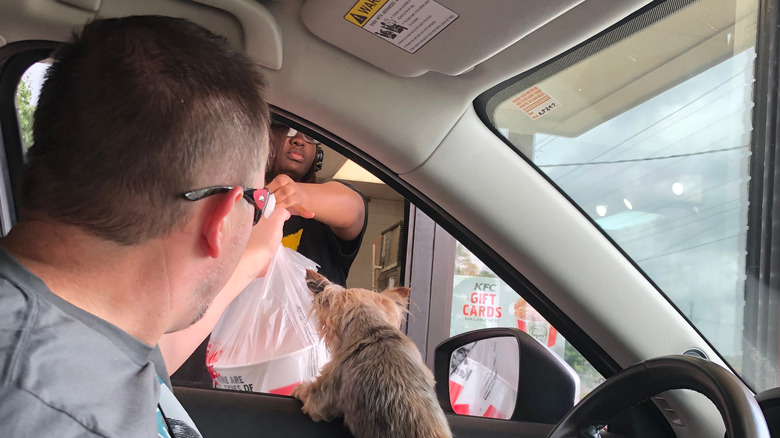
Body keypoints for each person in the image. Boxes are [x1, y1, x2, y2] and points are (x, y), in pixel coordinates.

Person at [0, 16, 289, 437]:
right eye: (257, 200)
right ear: (221, 218)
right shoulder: (60, 418)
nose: (258, 212)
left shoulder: (91, 325)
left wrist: (253, 258)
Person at [266, 123, 368, 287]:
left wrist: (298, 195)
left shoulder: (323, 211)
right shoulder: (237, 201)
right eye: (289, 129)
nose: (299, 141)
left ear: (318, 155)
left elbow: (355, 209)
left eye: (309, 135)